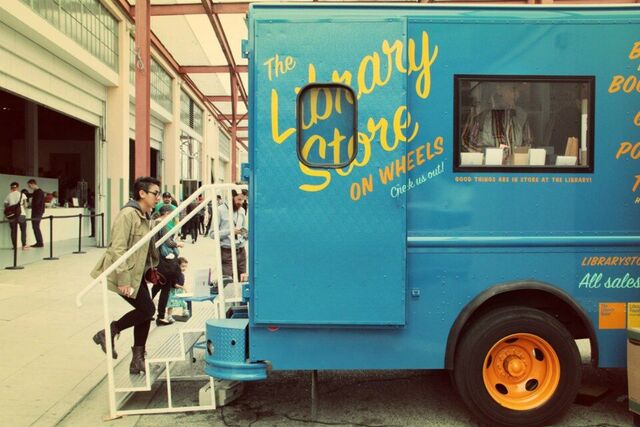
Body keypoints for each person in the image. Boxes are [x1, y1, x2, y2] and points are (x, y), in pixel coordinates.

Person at [90, 176, 161, 375]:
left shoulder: (145, 216)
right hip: (124, 274)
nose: (158, 197)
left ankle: (137, 360)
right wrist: (123, 279)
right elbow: (117, 248)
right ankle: (109, 330)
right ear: (142, 193)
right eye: (155, 193)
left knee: (146, 313)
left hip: (136, 274)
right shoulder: (128, 214)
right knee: (147, 309)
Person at [461, 82, 533, 160]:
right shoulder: (481, 113)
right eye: (513, 89)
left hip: (514, 170)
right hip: (489, 170)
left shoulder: (521, 115)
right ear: (499, 89)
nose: (517, 95)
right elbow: (466, 141)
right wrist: (488, 156)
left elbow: (528, 143)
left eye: (519, 91)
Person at [153, 204, 184, 326]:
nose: (173, 217)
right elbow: (167, 241)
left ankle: (149, 310)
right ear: (166, 213)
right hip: (165, 261)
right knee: (165, 288)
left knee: (158, 286)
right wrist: (177, 244)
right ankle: (160, 316)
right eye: (172, 214)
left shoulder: (154, 222)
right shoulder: (162, 223)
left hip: (157, 260)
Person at [217, 189, 247, 280]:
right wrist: (229, 231)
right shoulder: (220, 210)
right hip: (227, 251)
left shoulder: (242, 210)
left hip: (241, 251)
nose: (241, 202)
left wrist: (245, 234)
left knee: (243, 281)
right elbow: (212, 234)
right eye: (239, 199)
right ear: (231, 198)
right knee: (228, 282)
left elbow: (244, 228)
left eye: (243, 200)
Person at [4, 182, 29, 251]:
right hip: (21, 214)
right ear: (17, 187)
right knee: (23, 230)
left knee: (13, 231)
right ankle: (24, 245)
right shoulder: (22, 194)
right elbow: (26, 205)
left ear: (11, 188)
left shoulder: (8, 195)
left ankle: (14, 247)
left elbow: (6, 205)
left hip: (12, 216)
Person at [27, 179, 45, 247]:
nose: (29, 187)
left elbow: (36, 202)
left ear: (32, 184)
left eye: (29, 186)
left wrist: (30, 204)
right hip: (37, 211)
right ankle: (39, 242)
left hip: (37, 212)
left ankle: (40, 242)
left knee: (36, 227)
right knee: (35, 227)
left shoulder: (39, 192)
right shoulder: (37, 191)